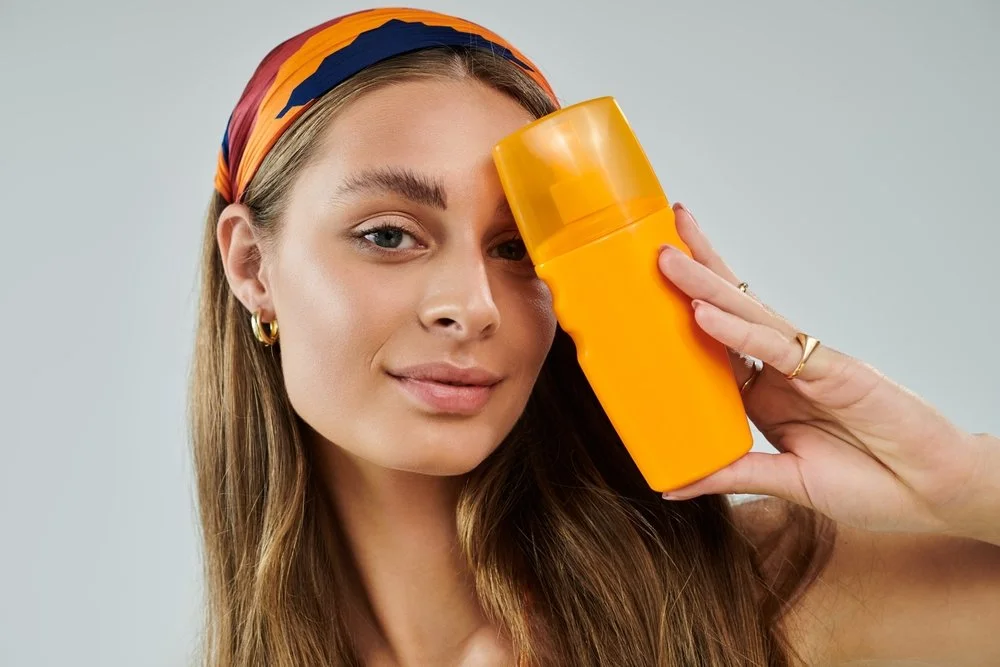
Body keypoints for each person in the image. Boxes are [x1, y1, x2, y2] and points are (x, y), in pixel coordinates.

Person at [190, 7, 1000, 666]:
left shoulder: (759, 591)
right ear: (252, 263)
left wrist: (957, 477)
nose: (473, 307)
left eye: (516, 249)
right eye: (390, 235)